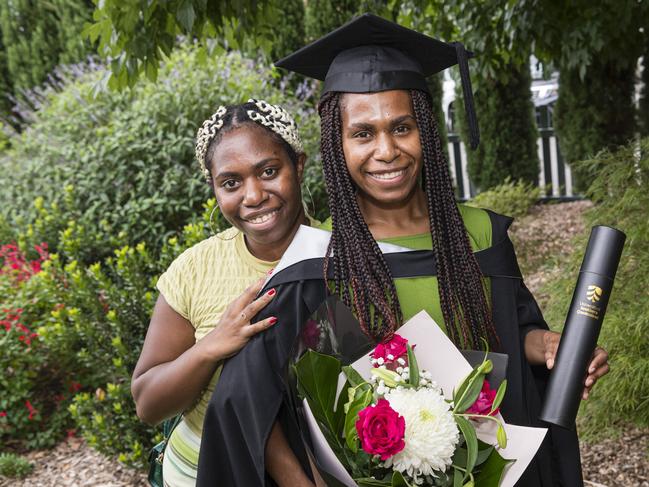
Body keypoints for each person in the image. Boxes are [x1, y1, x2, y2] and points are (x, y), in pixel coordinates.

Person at [196, 15, 610, 487]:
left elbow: (516, 335)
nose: (387, 150)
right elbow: (249, 403)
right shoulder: (315, 262)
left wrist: (552, 348)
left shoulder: (481, 235)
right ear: (337, 144)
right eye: (363, 133)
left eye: (401, 127)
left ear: (426, 133)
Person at [131, 99, 317, 486]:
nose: (252, 196)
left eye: (268, 171)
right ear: (214, 187)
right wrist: (212, 345)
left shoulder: (340, 256)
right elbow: (148, 403)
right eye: (231, 183)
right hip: (202, 469)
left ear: (298, 165)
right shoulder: (195, 269)